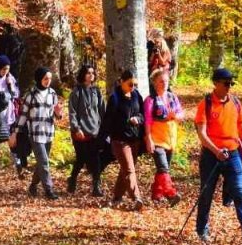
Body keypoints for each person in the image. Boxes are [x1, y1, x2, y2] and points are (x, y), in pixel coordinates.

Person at [193, 68, 242, 245]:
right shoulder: (205, 104)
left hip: (233, 154)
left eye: (231, 84)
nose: (229, 87)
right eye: (226, 83)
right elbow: (202, 134)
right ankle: (201, 229)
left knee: (239, 192)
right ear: (216, 83)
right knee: (206, 193)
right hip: (211, 156)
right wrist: (216, 151)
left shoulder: (236, 103)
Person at [101, 70, 147, 210]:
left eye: (135, 84)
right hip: (119, 140)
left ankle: (117, 197)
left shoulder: (136, 95)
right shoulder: (115, 98)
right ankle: (136, 198)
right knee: (129, 170)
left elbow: (142, 114)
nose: (133, 87)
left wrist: (137, 119)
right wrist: (104, 139)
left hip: (134, 139)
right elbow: (108, 120)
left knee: (125, 170)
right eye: (130, 84)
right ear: (122, 82)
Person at [15, 67, 63, 199]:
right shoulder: (31, 94)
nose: (48, 81)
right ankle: (49, 189)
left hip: (48, 132)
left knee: (42, 162)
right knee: (43, 162)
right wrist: (16, 131)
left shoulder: (52, 93)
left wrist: (59, 113)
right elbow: (23, 115)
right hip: (35, 134)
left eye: (49, 79)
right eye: (45, 78)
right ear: (39, 79)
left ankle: (33, 185)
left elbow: (57, 115)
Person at [143, 68, 184, 205]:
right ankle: (170, 194)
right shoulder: (150, 100)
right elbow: (147, 121)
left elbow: (180, 114)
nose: (164, 83)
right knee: (163, 168)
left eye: (166, 81)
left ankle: (156, 193)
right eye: (161, 81)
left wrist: (174, 116)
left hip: (170, 139)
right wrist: (148, 139)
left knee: (163, 169)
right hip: (156, 139)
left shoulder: (173, 97)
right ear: (154, 83)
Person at [67, 64, 107, 196]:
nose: (91, 75)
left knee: (95, 158)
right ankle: (72, 179)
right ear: (83, 75)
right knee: (81, 159)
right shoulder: (76, 92)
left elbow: (102, 110)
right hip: (80, 131)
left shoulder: (97, 91)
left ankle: (96, 186)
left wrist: (105, 127)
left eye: (92, 73)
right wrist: (76, 128)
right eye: (88, 73)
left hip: (94, 130)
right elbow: (72, 112)